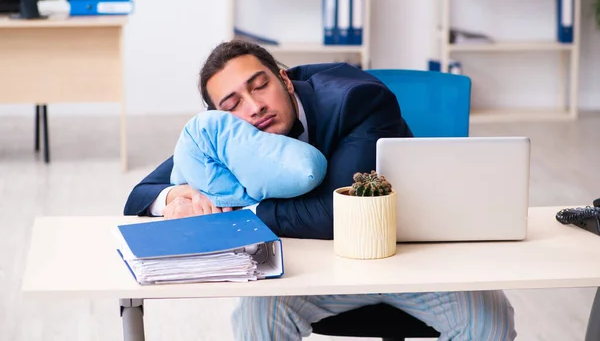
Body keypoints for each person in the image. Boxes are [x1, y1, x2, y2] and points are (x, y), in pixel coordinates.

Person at [123, 40, 517, 340]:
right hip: (310, 272)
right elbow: (143, 192)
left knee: (489, 322)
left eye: (260, 86)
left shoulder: (358, 100)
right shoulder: (230, 136)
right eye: (233, 105)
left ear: (285, 79)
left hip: (406, 258)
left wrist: (239, 209)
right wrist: (183, 196)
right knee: (255, 321)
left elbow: (336, 214)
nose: (254, 107)